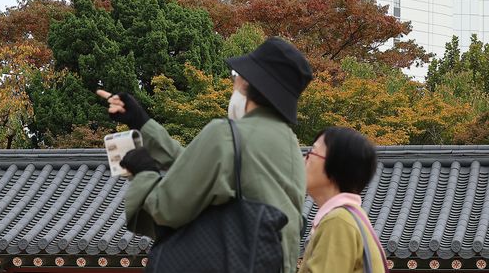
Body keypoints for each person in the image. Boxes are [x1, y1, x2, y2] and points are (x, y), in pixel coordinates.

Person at [97, 37, 313, 273]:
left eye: (235, 77)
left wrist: (145, 172)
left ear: (248, 84)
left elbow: (165, 208)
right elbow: (199, 169)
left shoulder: (226, 134)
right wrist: (143, 122)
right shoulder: (291, 146)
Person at [298, 127, 387, 273]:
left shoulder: (338, 221)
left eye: (311, 153)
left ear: (336, 166)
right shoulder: (350, 217)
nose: (303, 160)